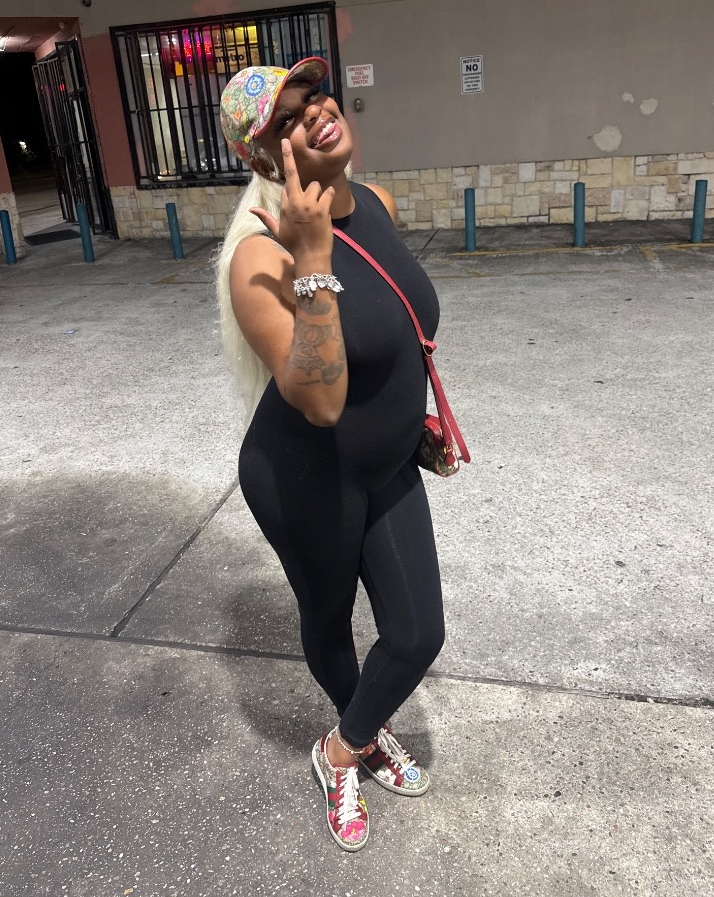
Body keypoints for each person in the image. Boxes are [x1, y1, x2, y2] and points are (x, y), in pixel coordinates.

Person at [216, 57, 446, 852]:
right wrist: (312, 258)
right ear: (262, 156)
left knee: (416, 635)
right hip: (303, 475)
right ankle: (359, 740)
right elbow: (318, 400)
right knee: (329, 620)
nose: (315, 113)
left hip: (385, 463)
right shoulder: (261, 258)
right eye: (287, 119)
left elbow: (398, 329)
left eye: (313, 97)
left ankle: (342, 744)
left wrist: (408, 416)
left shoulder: (377, 204)